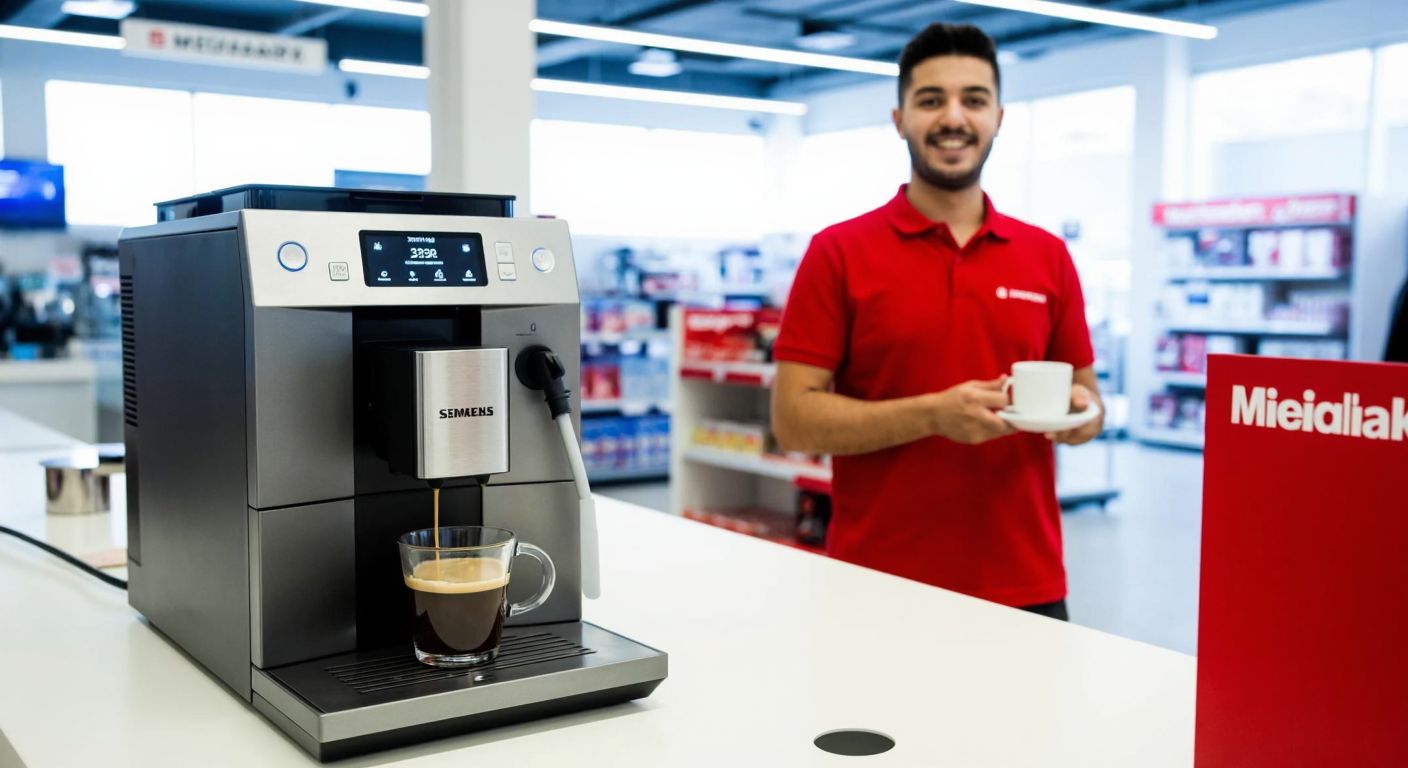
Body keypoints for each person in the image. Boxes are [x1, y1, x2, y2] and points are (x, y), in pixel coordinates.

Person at [770, 23, 1102, 621]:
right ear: (899, 119)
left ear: (999, 116)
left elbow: (1090, 407)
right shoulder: (838, 253)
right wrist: (933, 414)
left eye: (973, 99)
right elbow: (793, 420)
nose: (954, 117)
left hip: (1026, 585)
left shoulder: (1047, 256)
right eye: (931, 100)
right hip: (877, 584)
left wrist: (1081, 414)